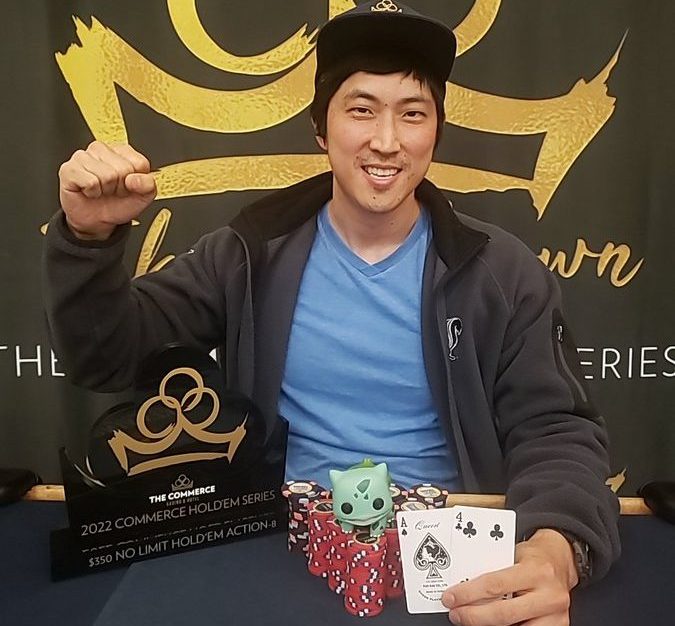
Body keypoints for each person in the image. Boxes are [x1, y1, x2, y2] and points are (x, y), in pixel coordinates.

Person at [44, 1, 620, 624]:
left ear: (436, 133)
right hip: (277, 546)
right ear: (321, 129)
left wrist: (555, 550)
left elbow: (555, 430)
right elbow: (106, 357)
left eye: (413, 113)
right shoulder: (247, 252)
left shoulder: (501, 273)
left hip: (446, 563)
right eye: (361, 109)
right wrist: (88, 239)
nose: (386, 141)